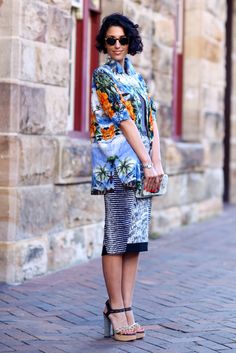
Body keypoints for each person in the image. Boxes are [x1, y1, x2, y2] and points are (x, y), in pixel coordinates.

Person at [90, 13, 164, 342]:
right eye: (111, 40)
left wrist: (156, 163)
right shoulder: (102, 76)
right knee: (117, 238)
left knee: (134, 242)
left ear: (130, 41)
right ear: (104, 44)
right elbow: (124, 121)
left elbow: (151, 122)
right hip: (119, 168)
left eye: (122, 39)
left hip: (144, 168)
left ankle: (128, 307)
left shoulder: (139, 79)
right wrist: (147, 163)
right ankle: (115, 308)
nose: (117, 45)